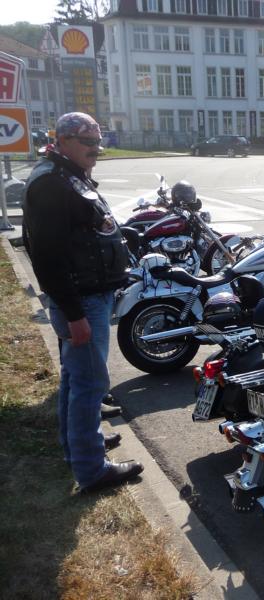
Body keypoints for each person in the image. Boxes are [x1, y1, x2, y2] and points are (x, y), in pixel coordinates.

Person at [21, 112, 143, 492]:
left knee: (76, 379)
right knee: (90, 382)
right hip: (81, 301)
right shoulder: (51, 184)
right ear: (63, 141)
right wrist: (74, 314)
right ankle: (92, 470)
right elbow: (47, 257)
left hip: (87, 297)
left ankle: (78, 444)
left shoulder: (65, 174)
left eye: (98, 140)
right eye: (87, 142)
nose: (96, 148)